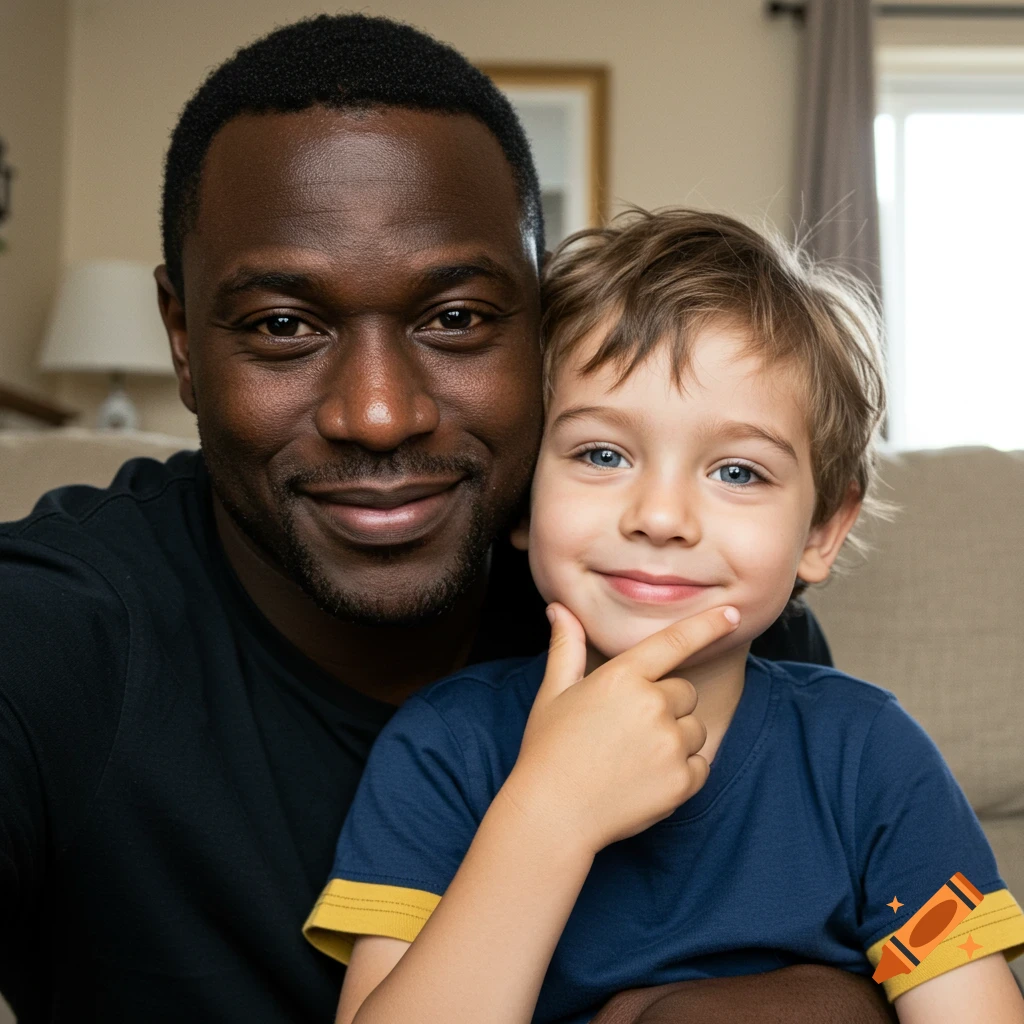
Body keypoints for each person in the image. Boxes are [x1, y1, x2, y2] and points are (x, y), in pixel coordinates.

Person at [0, 13, 896, 1023]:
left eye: (457, 318)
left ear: (540, 324)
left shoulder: (683, 602)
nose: (378, 414)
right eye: (283, 326)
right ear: (180, 339)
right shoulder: (49, 640)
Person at [306, 209, 1024, 1024]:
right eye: (601, 455)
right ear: (520, 494)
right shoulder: (447, 749)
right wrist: (550, 811)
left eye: (738, 471)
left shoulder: (869, 754)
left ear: (822, 531)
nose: (660, 514)